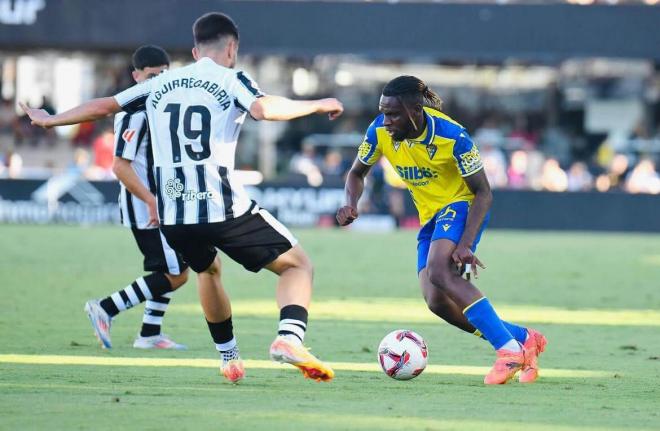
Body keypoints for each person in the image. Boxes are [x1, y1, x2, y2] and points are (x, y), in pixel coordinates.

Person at [21, 12, 343, 384]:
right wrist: (318, 104)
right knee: (297, 265)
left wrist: (50, 120)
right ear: (232, 47)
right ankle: (289, 338)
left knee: (207, 269)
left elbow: (104, 106)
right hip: (220, 205)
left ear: (194, 50)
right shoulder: (231, 78)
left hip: (173, 213)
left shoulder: (161, 82)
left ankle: (230, 358)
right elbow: (263, 109)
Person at [336, 76, 546, 385]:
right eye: (383, 112)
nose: (386, 120)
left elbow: (483, 193)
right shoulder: (379, 131)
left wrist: (466, 243)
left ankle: (508, 351)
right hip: (430, 216)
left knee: (439, 270)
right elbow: (356, 173)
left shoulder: (453, 135)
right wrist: (350, 202)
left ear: (414, 111)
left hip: (462, 204)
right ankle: (523, 338)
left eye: (393, 114)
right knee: (436, 301)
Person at [83, 45, 189, 351]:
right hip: (144, 204)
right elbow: (120, 165)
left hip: (158, 201)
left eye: (163, 75)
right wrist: (150, 199)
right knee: (177, 273)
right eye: (152, 75)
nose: (158, 80)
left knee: (170, 267)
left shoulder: (158, 106)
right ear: (136, 76)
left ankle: (149, 333)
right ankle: (105, 307)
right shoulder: (133, 112)